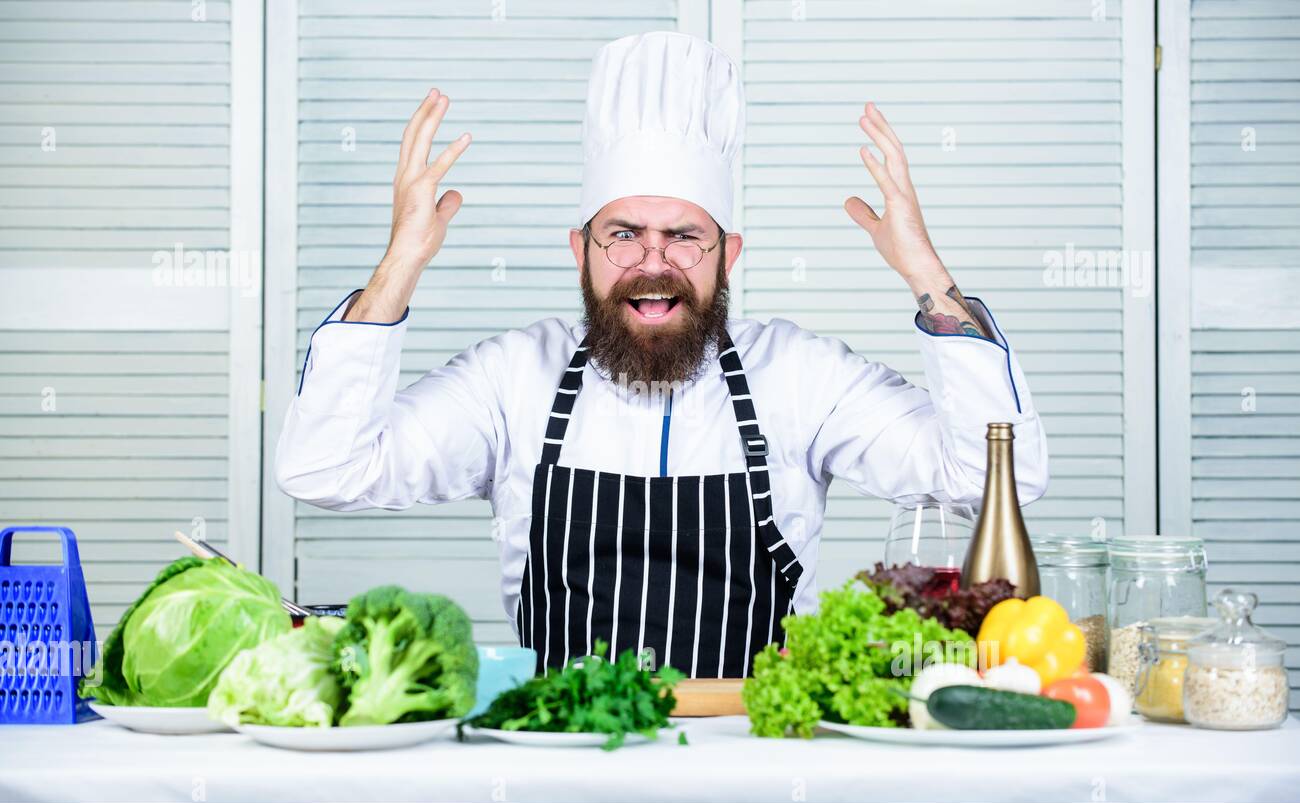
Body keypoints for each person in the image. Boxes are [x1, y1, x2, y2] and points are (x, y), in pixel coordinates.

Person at [275, 31, 1048, 677]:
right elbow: (325, 467)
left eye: (683, 236)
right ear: (581, 250)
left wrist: (926, 275)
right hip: (561, 756)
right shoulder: (511, 378)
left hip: (760, 759)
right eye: (623, 235)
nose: (653, 262)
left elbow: (996, 477)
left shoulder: (800, 375)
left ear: (727, 255)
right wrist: (398, 266)